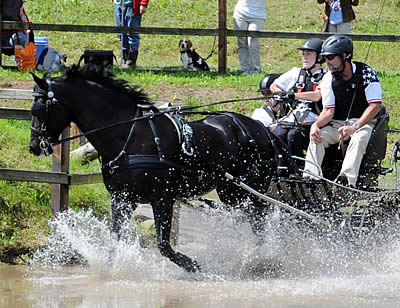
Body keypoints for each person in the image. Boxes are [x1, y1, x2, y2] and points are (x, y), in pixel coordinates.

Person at [303, 35, 382, 187]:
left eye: (331, 57)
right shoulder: (328, 78)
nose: (328, 62)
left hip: (363, 123)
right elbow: (328, 111)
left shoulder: (366, 73)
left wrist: (354, 127)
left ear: (344, 56)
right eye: (325, 58)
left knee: (359, 139)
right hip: (337, 124)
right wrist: (316, 125)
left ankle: (346, 181)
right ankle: (311, 178)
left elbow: (375, 106)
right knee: (317, 137)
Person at [270, 38, 326, 159]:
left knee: (294, 135)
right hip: (293, 117)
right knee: (278, 133)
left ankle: (296, 169)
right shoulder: (296, 72)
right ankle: (280, 169)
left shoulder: (327, 76)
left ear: (320, 57)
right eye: (303, 54)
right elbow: (274, 86)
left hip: (314, 118)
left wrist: (292, 95)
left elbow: (317, 96)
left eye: (309, 54)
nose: (304, 57)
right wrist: (280, 93)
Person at [233, 0, 266, 75]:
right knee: (242, 41)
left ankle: (255, 69)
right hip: (240, 13)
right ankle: (245, 69)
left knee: (253, 43)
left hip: (258, 15)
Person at [113, 0, 149, 69]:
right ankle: (125, 59)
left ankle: (131, 61)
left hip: (132, 5)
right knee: (121, 33)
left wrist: (144, 4)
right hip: (118, 4)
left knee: (133, 33)